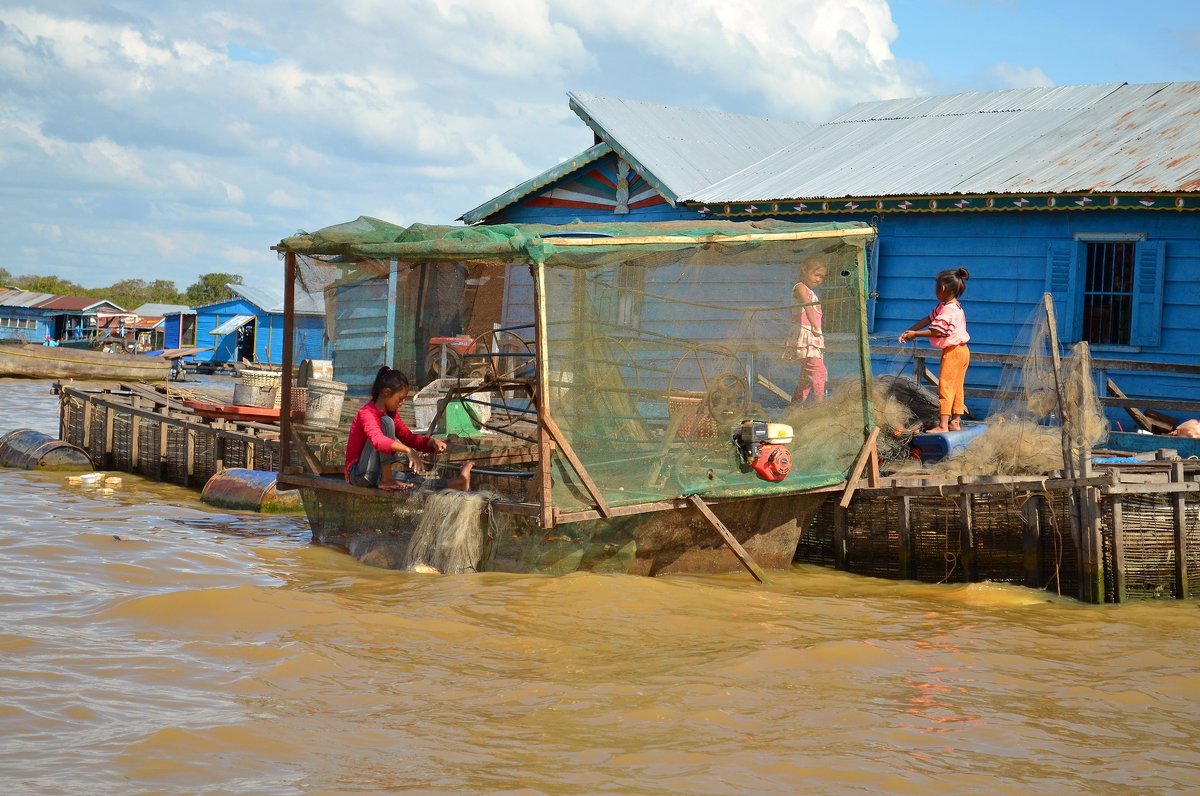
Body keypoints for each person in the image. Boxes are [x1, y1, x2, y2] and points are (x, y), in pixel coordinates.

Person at [344, 366, 472, 492]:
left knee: (412, 480)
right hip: (358, 474)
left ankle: (459, 482)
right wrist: (407, 450)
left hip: (376, 473)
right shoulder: (367, 413)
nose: (402, 403)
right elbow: (378, 440)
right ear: (386, 392)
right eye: (400, 398)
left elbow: (408, 437)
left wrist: (431, 443)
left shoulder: (392, 414)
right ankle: (387, 479)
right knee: (386, 422)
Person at [899, 267, 971, 433]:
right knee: (957, 387)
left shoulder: (948, 310)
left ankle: (943, 425)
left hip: (953, 352)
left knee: (945, 386)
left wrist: (916, 334)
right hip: (963, 351)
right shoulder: (952, 305)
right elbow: (929, 319)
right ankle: (955, 421)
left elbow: (937, 330)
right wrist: (910, 331)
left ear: (943, 288)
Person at [784, 258, 827, 402]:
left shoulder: (811, 292)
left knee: (806, 379)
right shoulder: (800, 287)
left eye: (822, 277)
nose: (818, 279)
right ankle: (819, 406)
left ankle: (794, 407)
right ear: (804, 270)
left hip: (813, 338)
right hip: (806, 336)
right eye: (816, 275)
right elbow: (807, 305)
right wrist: (815, 326)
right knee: (818, 371)